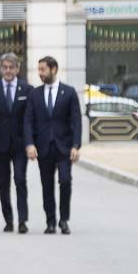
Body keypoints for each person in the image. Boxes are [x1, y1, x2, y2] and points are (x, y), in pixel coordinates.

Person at [24, 56, 81, 234]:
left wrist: (76, 145)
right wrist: (29, 144)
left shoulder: (69, 92)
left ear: (54, 69)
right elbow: (28, 121)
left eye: (43, 69)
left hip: (64, 147)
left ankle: (64, 219)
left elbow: (76, 120)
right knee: (46, 185)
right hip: (43, 147)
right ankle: (50, 221)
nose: (40, 73)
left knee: (65, 181)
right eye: (39, 70)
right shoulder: (34, 94)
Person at [0, 52, 33, 233]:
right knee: (4, 183)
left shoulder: (27, 90)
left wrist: (30, 143)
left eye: (12, 67)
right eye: (5, 67)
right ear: (0, 69)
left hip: (20, 145)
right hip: (0, 144)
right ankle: (8, 220)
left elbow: (30, 119)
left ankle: (22, 220)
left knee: (20, 180)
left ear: (17, 68)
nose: (8, 71)